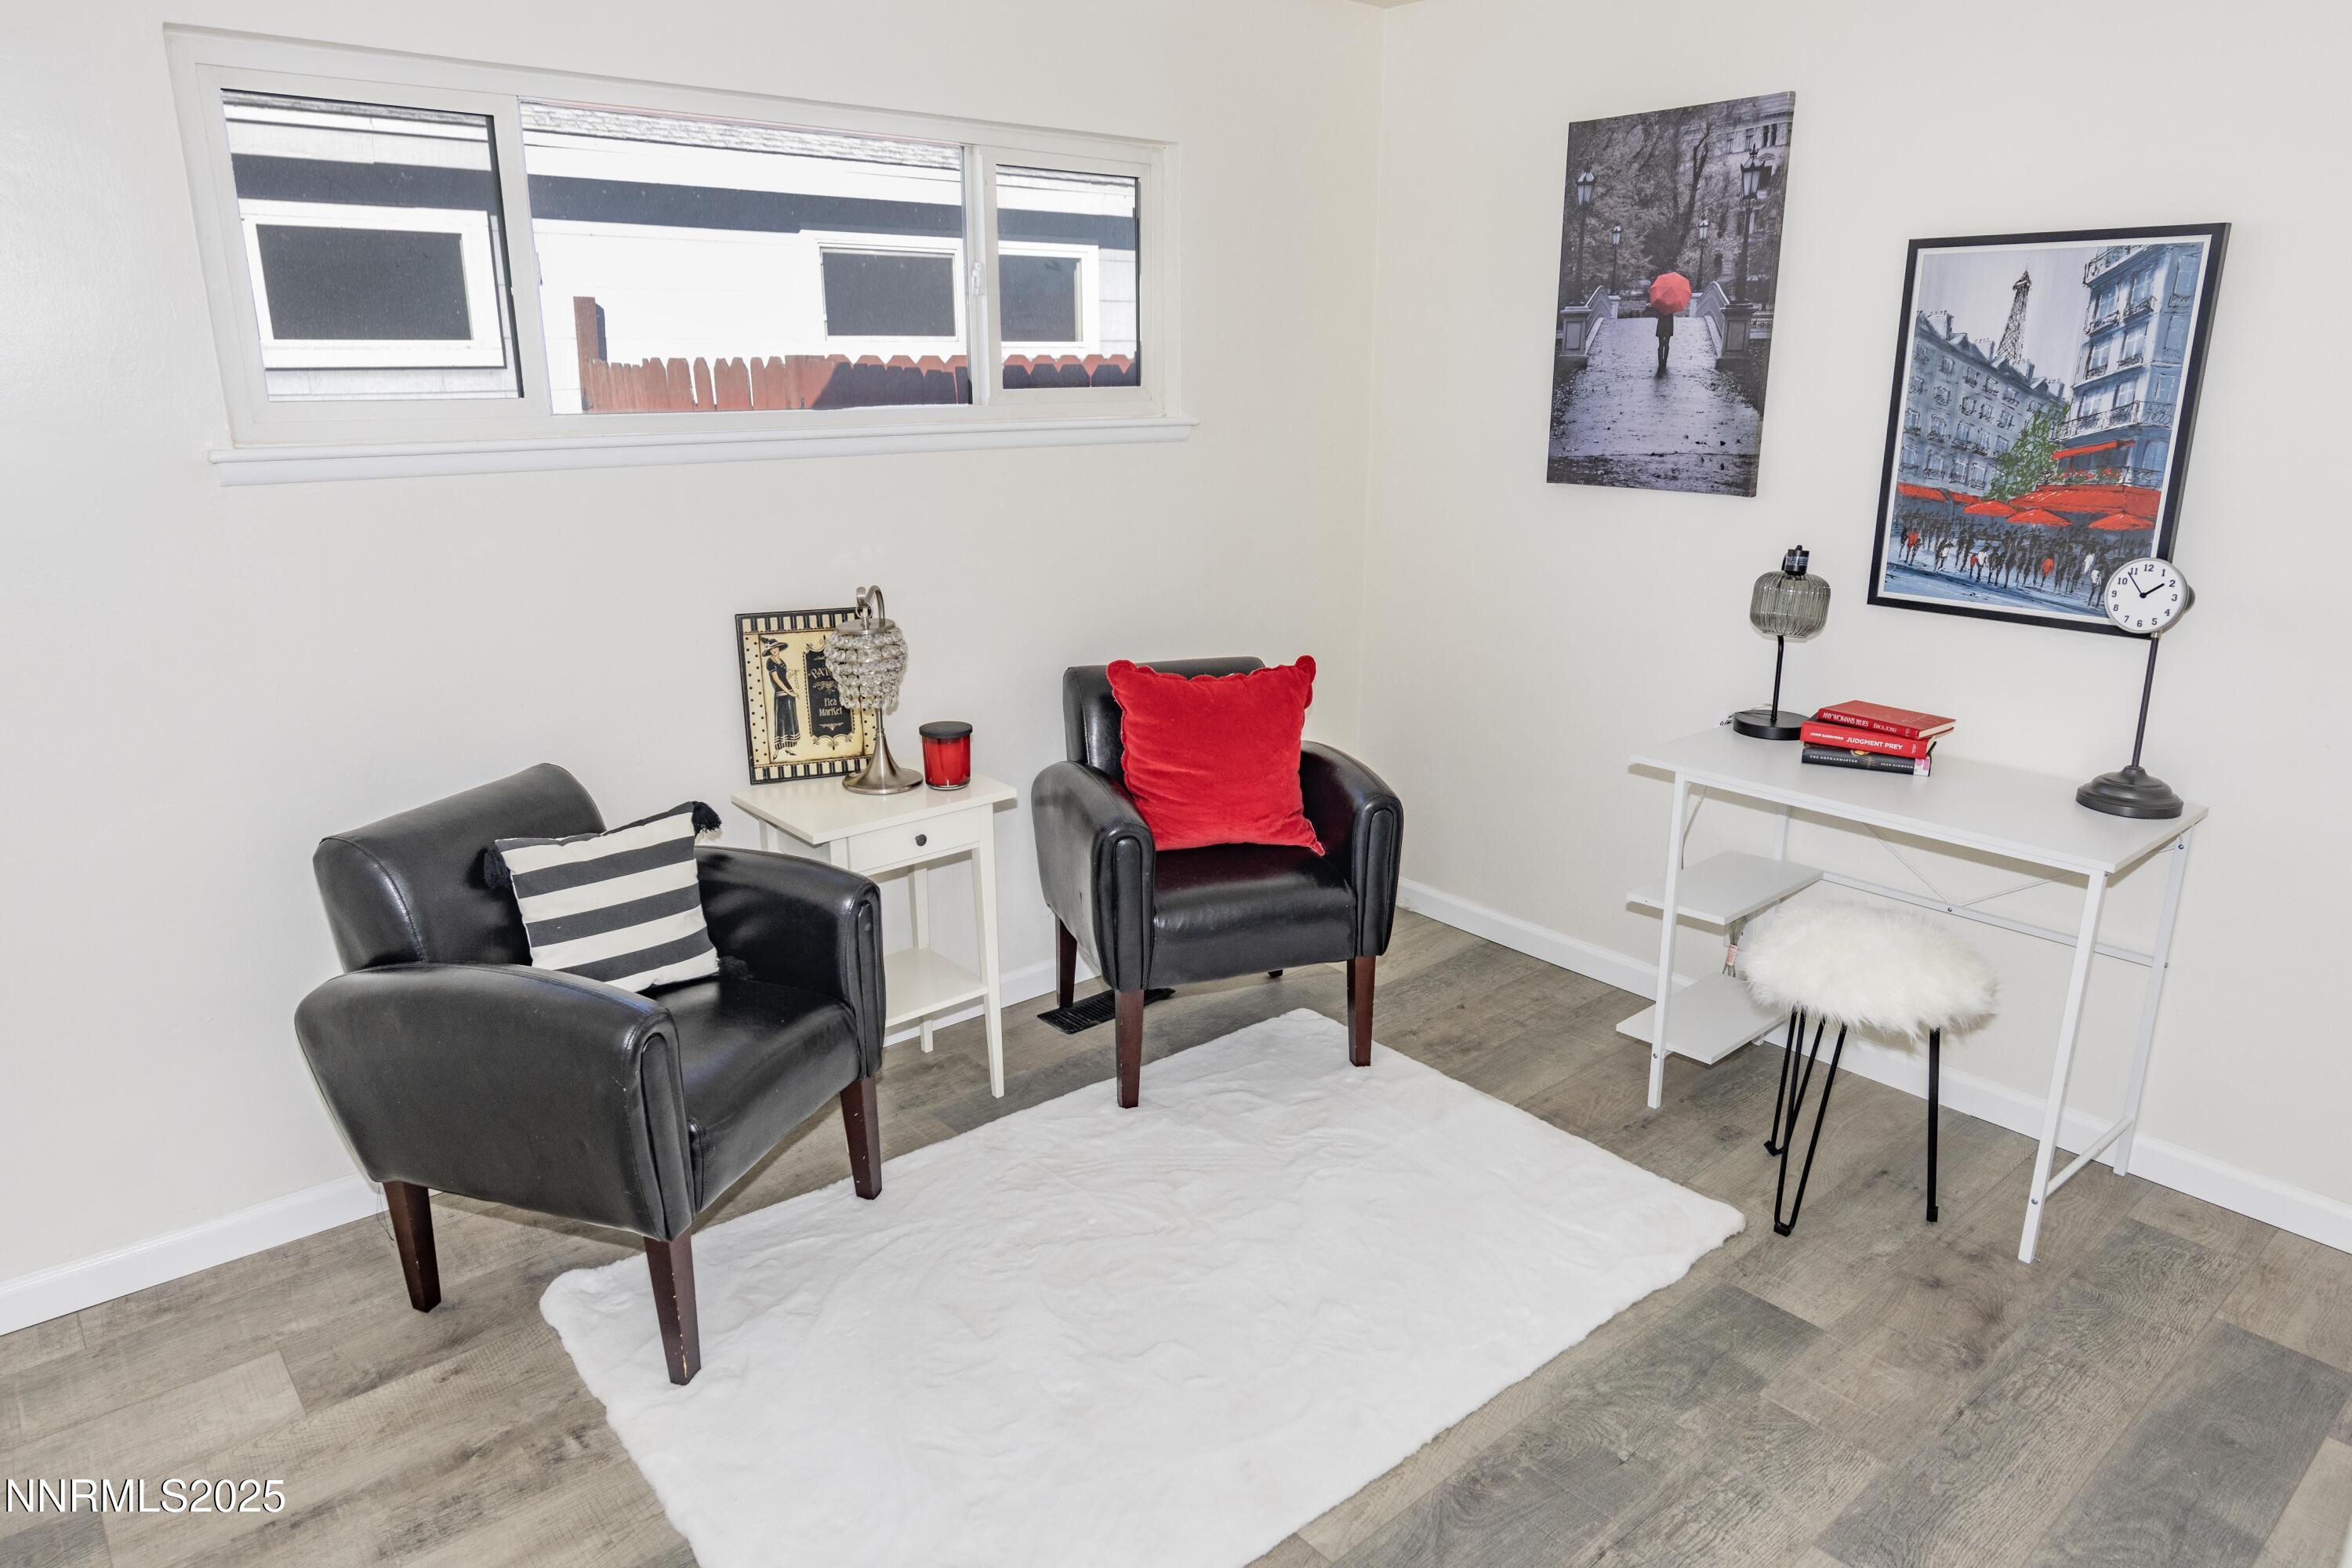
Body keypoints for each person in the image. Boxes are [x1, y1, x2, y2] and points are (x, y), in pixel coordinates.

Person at [1653, 298, 1675, 377]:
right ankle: (1664, 362)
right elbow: (1674, 311)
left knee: (1661, 344)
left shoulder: (1660, 301)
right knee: (1667, 344)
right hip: (1669, 324)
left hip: (1661, 324)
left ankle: (1660, 364)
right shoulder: (1673, 301)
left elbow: (1656, 315)